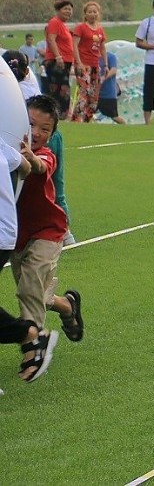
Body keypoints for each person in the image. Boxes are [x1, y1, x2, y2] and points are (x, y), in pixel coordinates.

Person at [10, 95, 84, 382]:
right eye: (31, 125)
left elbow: (40, 166)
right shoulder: (8, 146)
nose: (37, 133)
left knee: (29, 287)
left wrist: (30, 159)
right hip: (16, 236)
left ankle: (35, 348)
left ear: (52, 134)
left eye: (45, 129)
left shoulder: (45, 154)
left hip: (48, 232)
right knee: (34, 293)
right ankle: (66, 304)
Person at [1, 135, 53, 386]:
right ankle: (30, 333)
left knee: (30, 286)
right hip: (8, 233)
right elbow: (23, 165)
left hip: (2, 233)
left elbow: (30, 165)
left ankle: (29, 333)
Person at [69, 0, 106, 122]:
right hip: (84, 63)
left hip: (95, 64)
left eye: (95, 12)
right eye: (90, 12)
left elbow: (102, 46)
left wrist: (105, 64)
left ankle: (87, 118)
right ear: (85, 14)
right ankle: (76, 118)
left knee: (94, 94)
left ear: (98, 13)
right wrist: (78, 62)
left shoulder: (100, 30)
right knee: (84, 92)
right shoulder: (81, 28)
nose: (92, 14)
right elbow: (74, 45)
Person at [43, 0, 75, 118]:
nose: (68, 11)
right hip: (57, 61)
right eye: (65, 9)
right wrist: (58, 56)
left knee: (60, 88)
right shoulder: (54, 22)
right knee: (61, 89)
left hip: (65, 61)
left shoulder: (63, 25)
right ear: (58, 10)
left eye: (70, 9)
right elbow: (51, 40)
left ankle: (59, 114)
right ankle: (59, 115)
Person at [97, 49, 124, 123]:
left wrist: (103, 78)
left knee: (114, 116)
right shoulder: (91, 56)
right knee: (87, 114)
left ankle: (126, 128)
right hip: (94, 92)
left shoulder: (110, 56)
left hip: (107, 93)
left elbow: (113, 70)